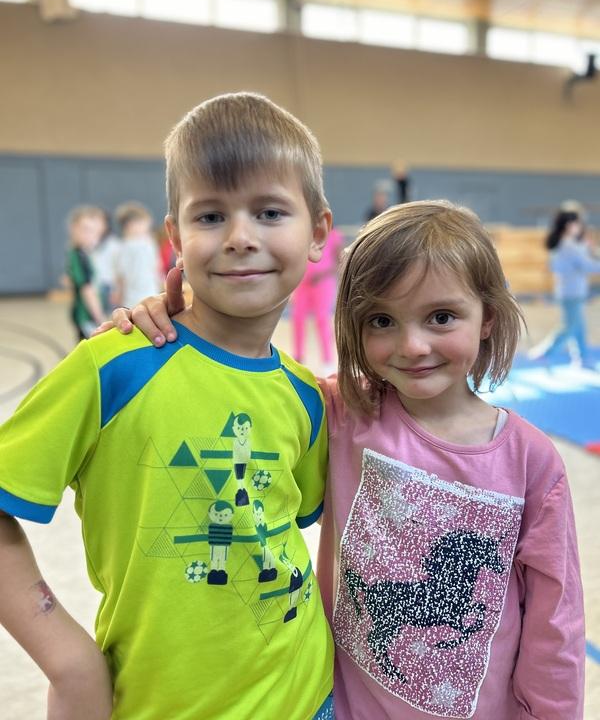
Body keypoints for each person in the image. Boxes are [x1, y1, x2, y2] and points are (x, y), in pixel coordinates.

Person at [112, 200, 585, 720]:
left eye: (441, 317)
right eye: (382, 320)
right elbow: (242, 390)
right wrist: (176, 325)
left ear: (487, 317)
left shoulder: (531, 462)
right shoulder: (341, 411)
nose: (412, 345)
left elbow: (555, 623)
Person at [0, 92, 335, 720]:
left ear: (317, 232)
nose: (240, 238)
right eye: (210, 216)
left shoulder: (308, 397)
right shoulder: (114, 365)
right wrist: (69, 661)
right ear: (175, 237)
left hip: (310, 697)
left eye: (269, 212)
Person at [529, 208, 600, 368]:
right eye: (578, 223)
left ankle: (582, 357)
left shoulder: (567, 244)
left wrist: (587, 248)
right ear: (569, 225)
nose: (580, 227)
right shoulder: (568, 245)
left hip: (571, 291)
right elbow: (587, 265)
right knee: (570, 326)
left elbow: (582, 258)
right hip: (571, 292)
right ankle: (545, 352)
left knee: (578, 325)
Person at [291, 225, 344, 369]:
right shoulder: (304, 234)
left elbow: (339, 262)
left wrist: (322, 275)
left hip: (323, 284)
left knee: (322, 319)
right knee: (298, 318)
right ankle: (298, 358)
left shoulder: (333, 235)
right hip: (303, 283)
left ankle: (327, 360)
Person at [65, 204, 106, 341]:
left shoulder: (86, 253)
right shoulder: (79, 256)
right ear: (73, 229)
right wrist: (100, 317)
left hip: (87, 315)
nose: (91, 235)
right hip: (86, 316)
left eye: (94, 231)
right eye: (85, 229)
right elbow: (87, 289)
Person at [113, 201, 163, 308]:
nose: (147, 229)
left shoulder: (147, 243)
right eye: (145, 225)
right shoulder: (126, 247)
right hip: (136, 297)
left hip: (145, 294)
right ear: (131, 225)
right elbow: (121, 277)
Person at [90, 208, 121, 315]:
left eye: (98, 221)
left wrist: (116, 290)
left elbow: (118, 269)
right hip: (94, 287)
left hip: (108, 288)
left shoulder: (114, 244)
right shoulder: (90, 244)